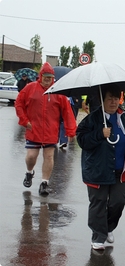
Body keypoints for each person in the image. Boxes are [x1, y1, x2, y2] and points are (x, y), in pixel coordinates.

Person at [76, 85, 125, 250]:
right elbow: (82, 140)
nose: (113, 102)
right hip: (98, 169)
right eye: (109, 99)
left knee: (119, 201)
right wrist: (99, 134)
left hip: (121, 170)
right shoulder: (93, 119)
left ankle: (108, 227)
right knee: (98, 202)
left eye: (116, 98)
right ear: (103, 100)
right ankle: (98, 236)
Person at [15, 62, 77, 196]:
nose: (48, 79)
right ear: (41, 76)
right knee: (31, 156)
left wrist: (70, 130)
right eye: (46, 76)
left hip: (51, 131)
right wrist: (25, 121)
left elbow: (67, 112)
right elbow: (19, 103)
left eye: (50, 77)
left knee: (49, 156)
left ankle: (44, 183)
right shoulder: (30, 88)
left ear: (53, 78)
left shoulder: (58, 92)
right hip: (33, 130)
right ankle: (29, 172)